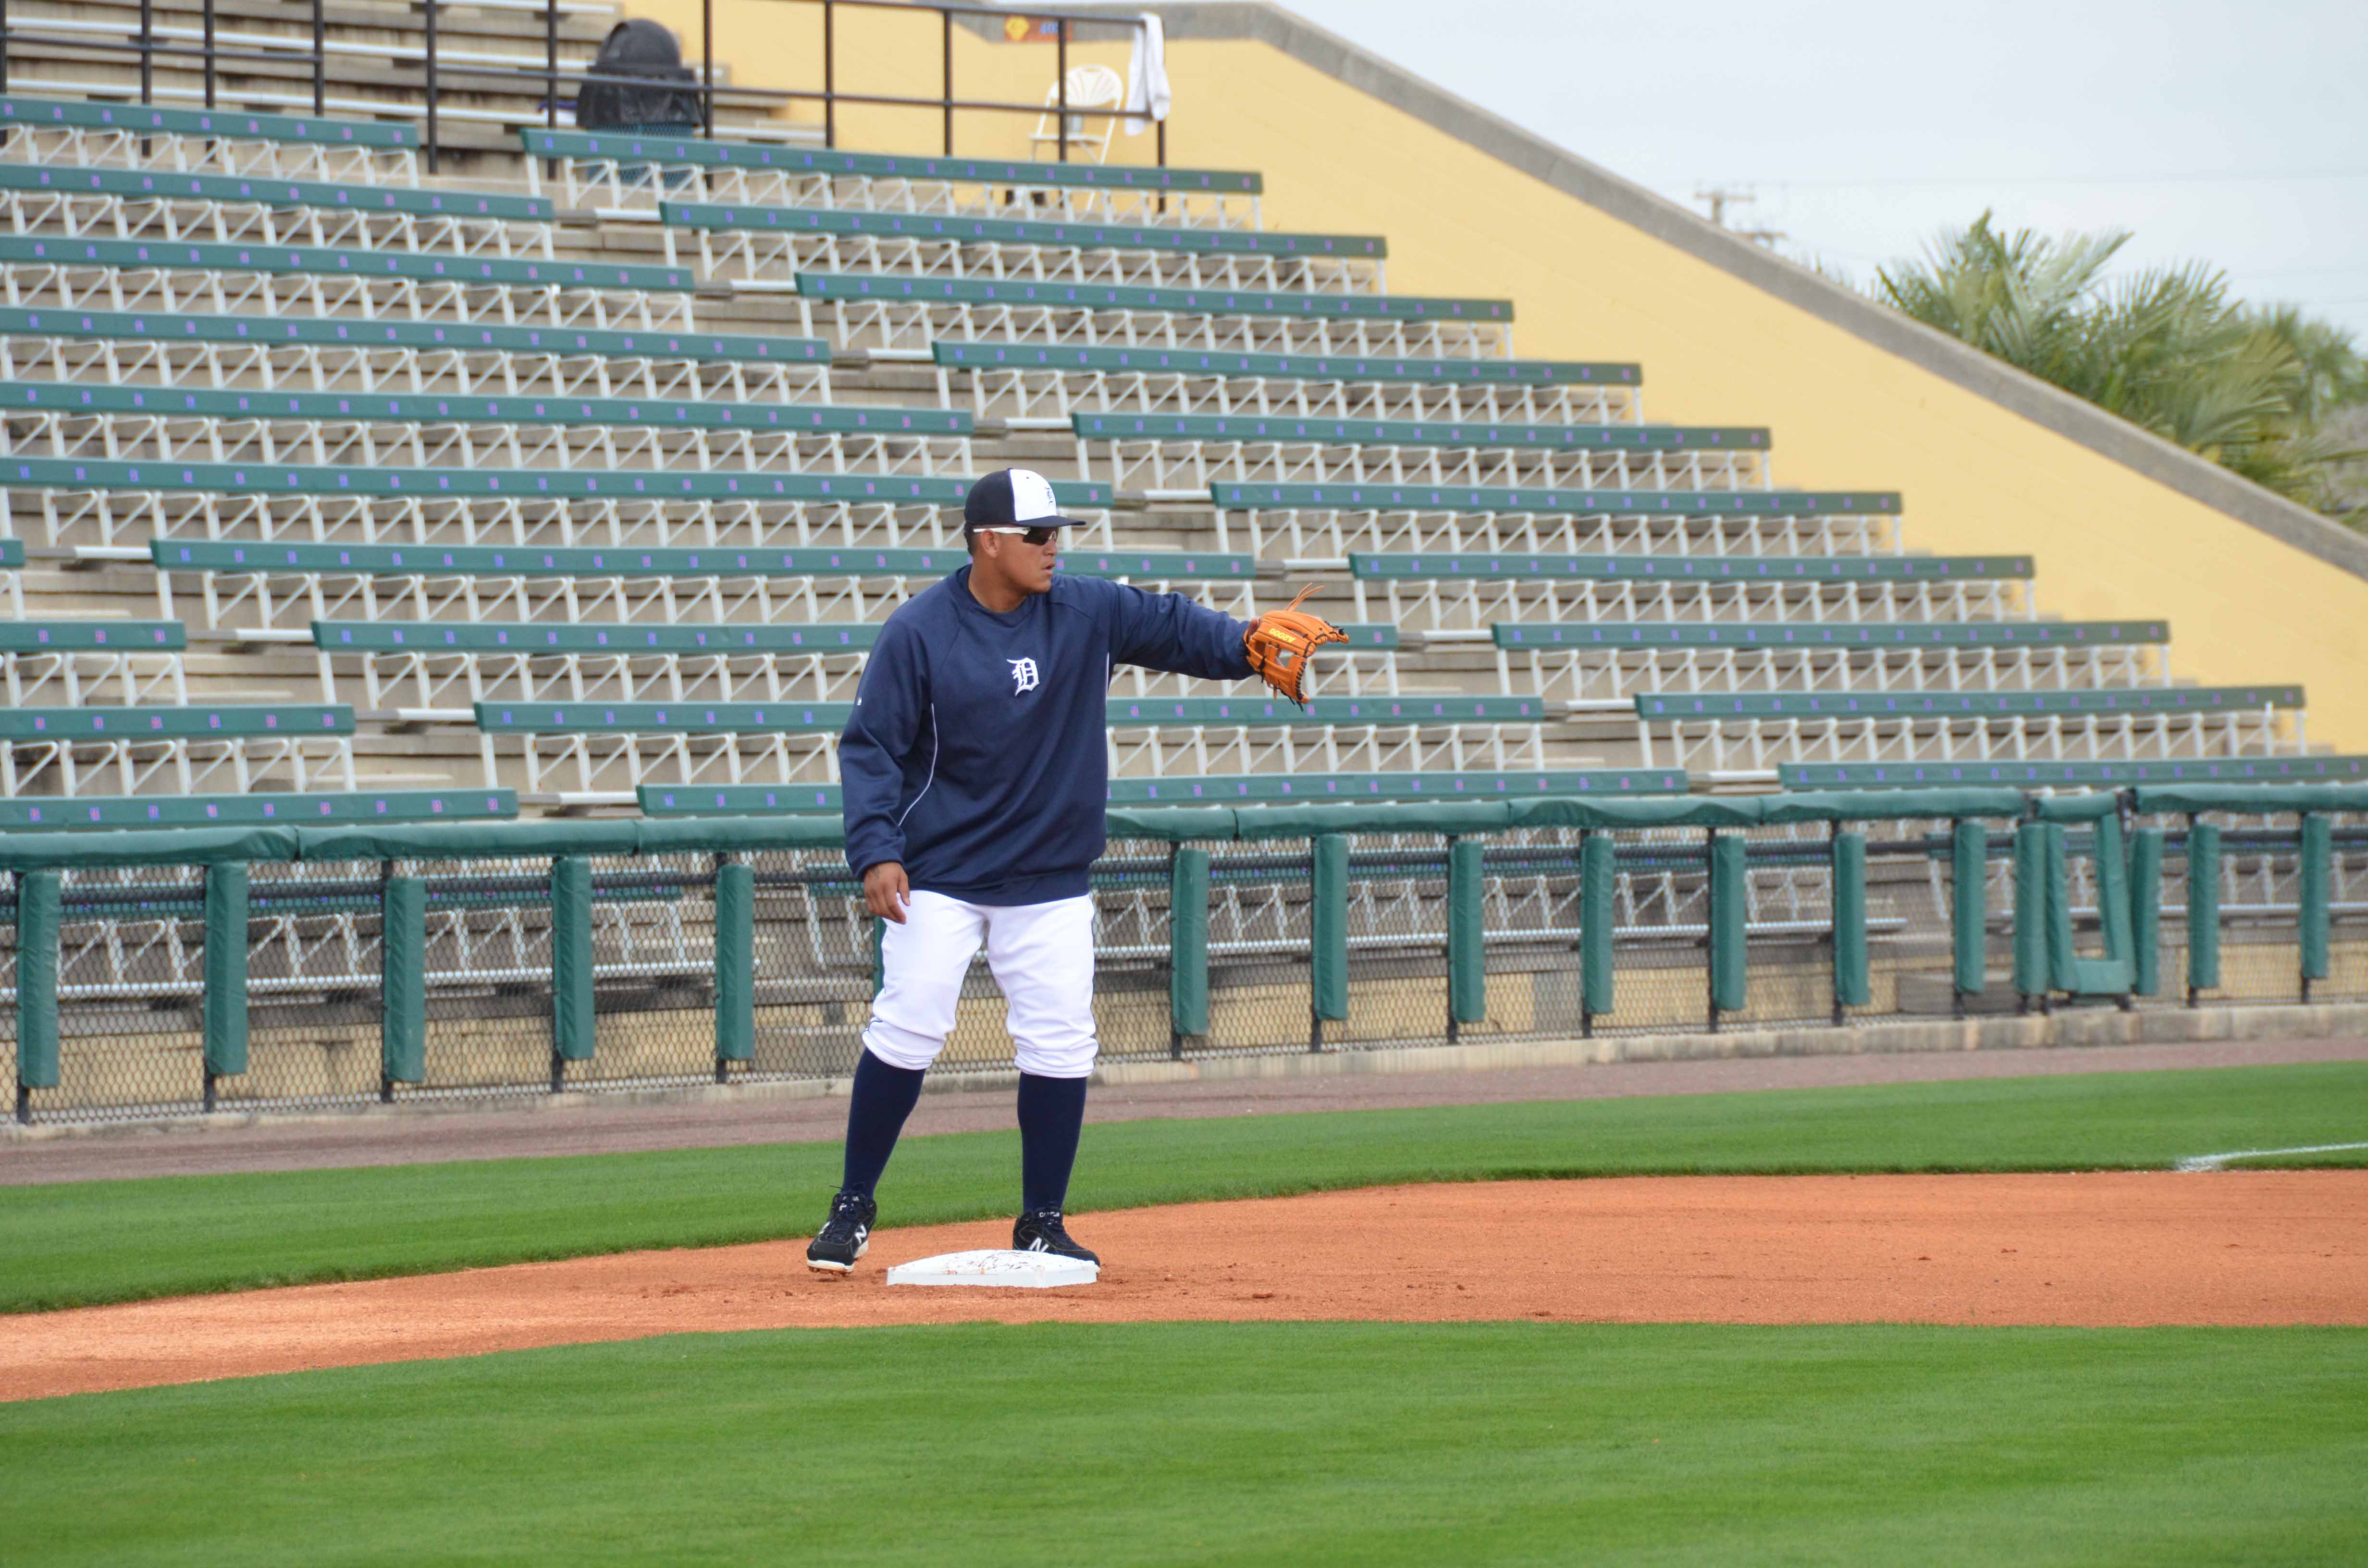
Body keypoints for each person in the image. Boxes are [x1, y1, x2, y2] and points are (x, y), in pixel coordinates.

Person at [806, 468, 1269, 1274]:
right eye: (1039, 535)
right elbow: (871, 748)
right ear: (989, 542)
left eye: (1058, 533)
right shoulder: (920, 631)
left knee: (1059, 1042)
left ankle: (1043, 1222)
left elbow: (1172, 626)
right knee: (909, 1024)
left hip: (1049, 876)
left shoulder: (1085, 610)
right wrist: (876, 850)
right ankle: (852, 1207)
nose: (1055, 547)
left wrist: (1248, 646)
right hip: (941, 872)